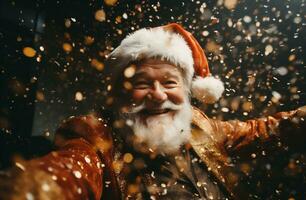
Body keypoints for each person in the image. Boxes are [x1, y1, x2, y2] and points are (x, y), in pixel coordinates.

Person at [0, 23, 305, 200]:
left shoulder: (200, 127)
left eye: (170, 82)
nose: (158, 96)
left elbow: (268, 130)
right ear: (119, 93)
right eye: (142, 83)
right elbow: (65, 173)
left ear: (187, 91)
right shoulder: (94, 137)